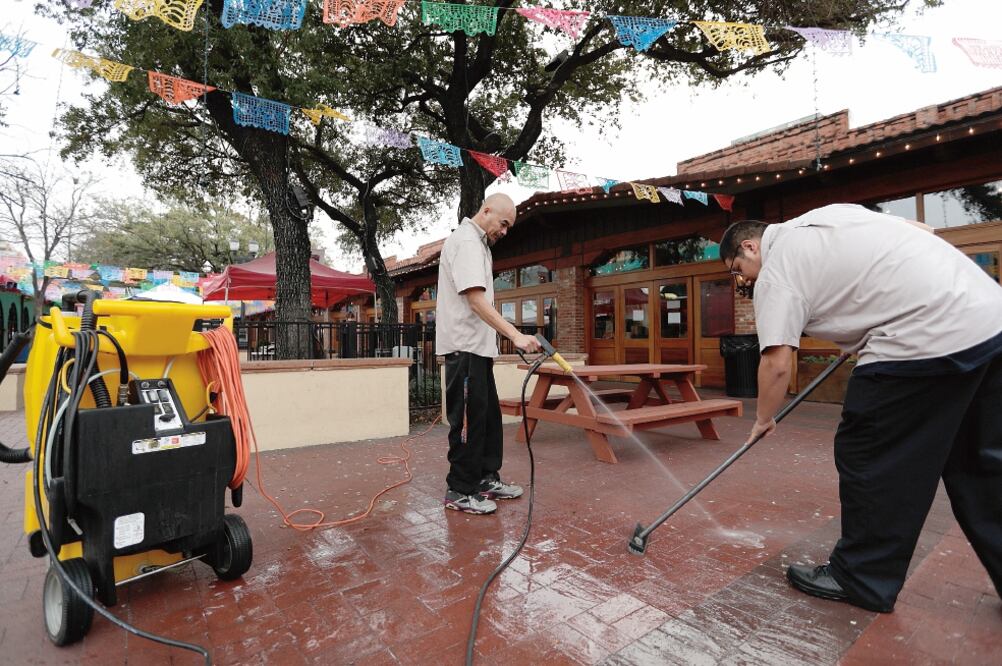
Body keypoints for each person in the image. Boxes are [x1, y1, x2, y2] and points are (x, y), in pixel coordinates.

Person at [719, 203, 1002, 613]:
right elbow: (922, 229)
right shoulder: (835, 214)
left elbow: (777, 363)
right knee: (981, 465)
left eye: (736, 268)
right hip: (990, 321)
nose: (741, 278)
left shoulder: (776, 269)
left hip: (921, 339)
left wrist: (764, 419)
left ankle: (863, 576)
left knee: (871, 453)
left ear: (750, 245)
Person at [436, 193, 541, 515]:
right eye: (504, 223)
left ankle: (484, 479)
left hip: (478, 351)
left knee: (487, 421)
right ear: (486, 211)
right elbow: (476, 300)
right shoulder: (467, 241)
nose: (505, 231)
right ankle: (459, 490)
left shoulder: (478, 245)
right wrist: (515, 336)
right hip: (464, 349)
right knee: (468, 423)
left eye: (509, 227)